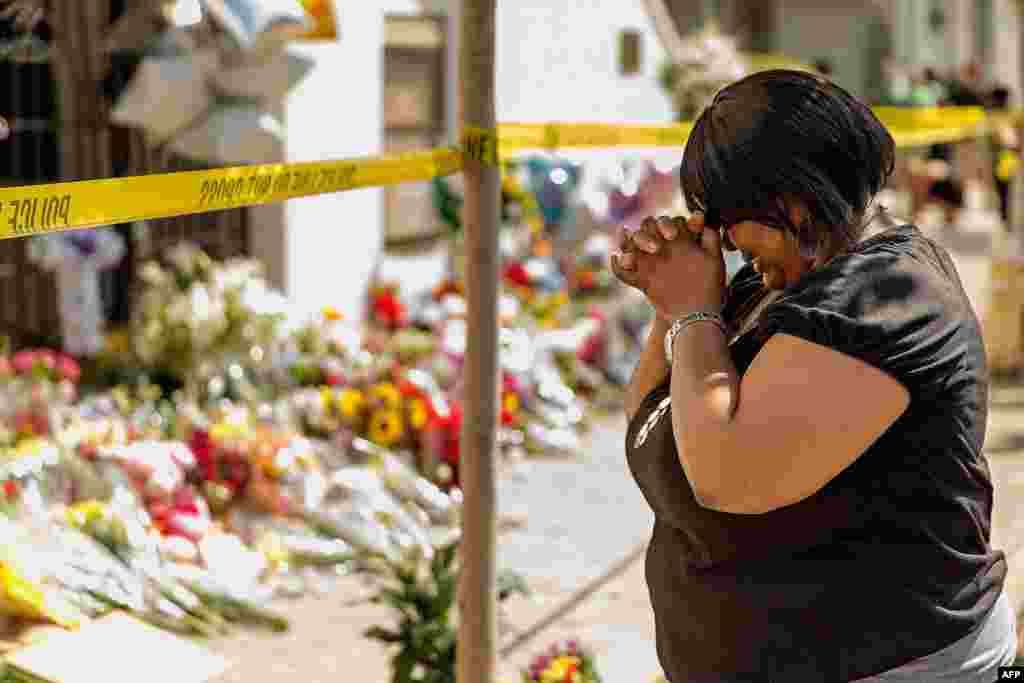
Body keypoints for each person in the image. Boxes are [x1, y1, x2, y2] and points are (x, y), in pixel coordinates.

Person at [610, 69, 1015, 682]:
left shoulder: (887, 293)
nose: (722, 241)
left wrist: (694, 311)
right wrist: (677, 306)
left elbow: (729, 476)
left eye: (727, 217)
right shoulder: (768, 282)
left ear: (793, 199)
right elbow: (650, 417)